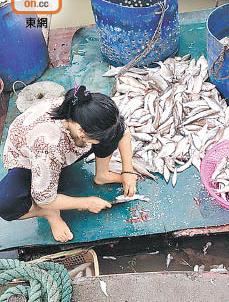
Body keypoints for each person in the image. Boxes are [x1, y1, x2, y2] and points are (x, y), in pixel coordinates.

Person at [0, 85, 137, 242]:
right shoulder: (48, 147)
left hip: (64, 148)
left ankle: (103, 175)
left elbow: (122, 131)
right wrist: (86, 203)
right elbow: (44, 198)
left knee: (111, 133)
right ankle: (49, 214)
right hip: (28, 161)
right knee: (6, 203)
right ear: (80, 131)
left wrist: (128, 172)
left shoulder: (83, 110)